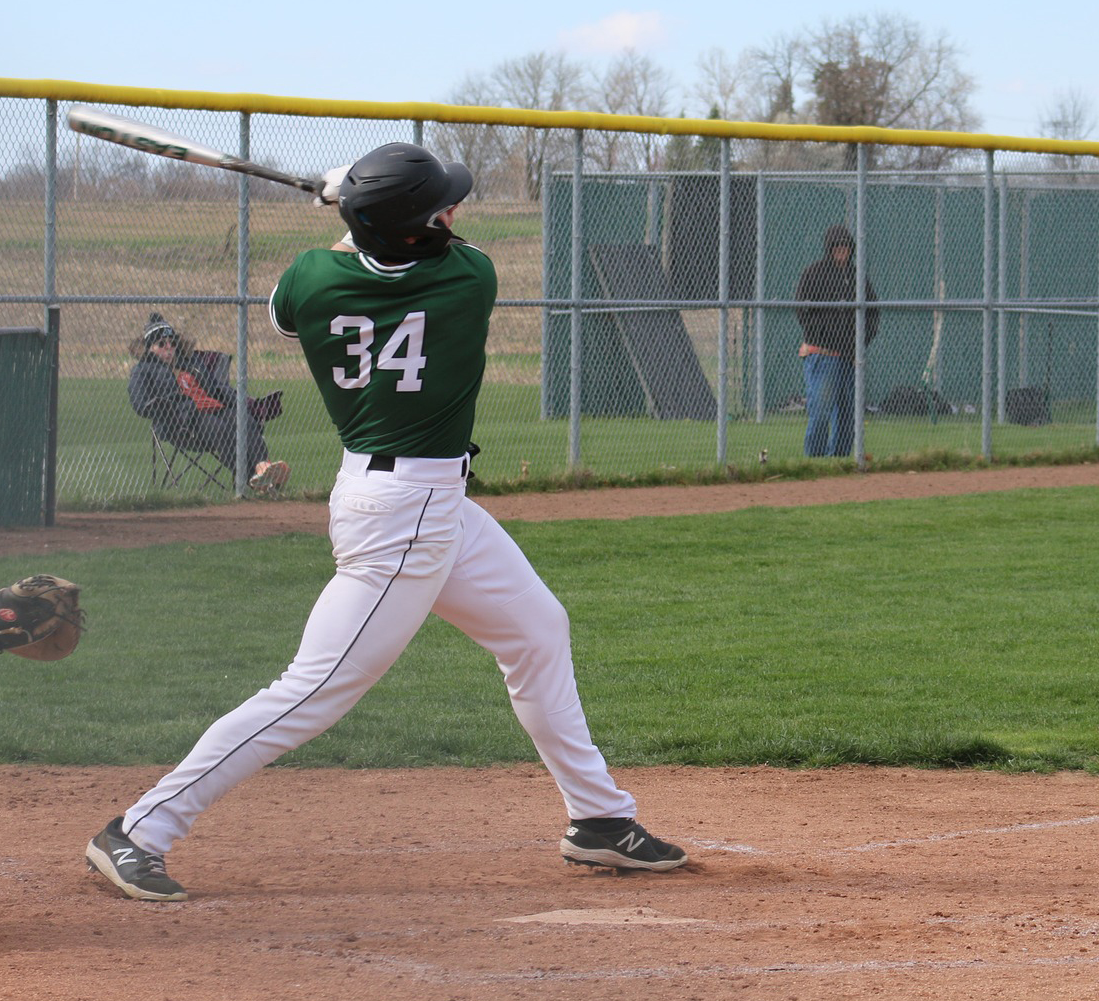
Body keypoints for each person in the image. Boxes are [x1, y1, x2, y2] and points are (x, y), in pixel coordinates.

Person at [86, 143, 687, 903]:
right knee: (313, 689)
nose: (453, 212)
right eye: (439, 206)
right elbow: (427, 249)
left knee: (537, 628)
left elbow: (289, 303)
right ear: (414, 230)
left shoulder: (309, 279)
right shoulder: (469, 279)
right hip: (405, 517)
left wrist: (351, 218)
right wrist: (358, 207)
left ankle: (598, 819)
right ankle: (140, 828)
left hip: (415, 501)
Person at [127, 314, 288, 492]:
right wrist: (158, 406)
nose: (169, 348)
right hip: (184, 423)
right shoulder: (143, 370)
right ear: (150, 348)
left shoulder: (190, 362)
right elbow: (139, 402)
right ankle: (252, 478)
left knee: (244, 419)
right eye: (161, 344)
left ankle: (263, 467)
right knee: (221, 429)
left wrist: (245, 403)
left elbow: (215, 388)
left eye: (172, 342)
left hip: (214, 408)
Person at [795, 223, 879, 458]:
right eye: (837, 246)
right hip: (822, 354)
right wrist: (826, 336)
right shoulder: (814, 273)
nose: (841, 250)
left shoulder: (857, 277)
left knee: (848, 412)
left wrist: (859, 343)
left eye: (845, 246)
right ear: (829, 248)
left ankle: (839, 458)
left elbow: (873, 313)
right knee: (820, 411)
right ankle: (815, 458)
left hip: (850, 357)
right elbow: (803, 312)